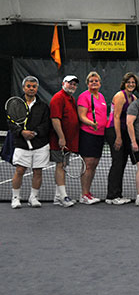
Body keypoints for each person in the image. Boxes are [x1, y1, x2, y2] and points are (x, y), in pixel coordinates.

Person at [9, 76, 50, 209]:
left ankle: (34, 197)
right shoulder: (16, 104)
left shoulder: (43, 106)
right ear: (23, 88)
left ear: (37, 88)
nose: (31, 88)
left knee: (38, 171)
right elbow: (11, 122)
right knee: (20, 170)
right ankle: (15, 198)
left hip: (40, 144)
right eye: (28, 86)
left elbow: (46, 123)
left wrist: (35, 133)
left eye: (34, 86)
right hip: (21, 143)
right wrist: (22, 132)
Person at [105, 72, 138, 205]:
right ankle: (111, 196)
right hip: (113, 130)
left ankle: (117, 194)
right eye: (128, 82)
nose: (131, 84)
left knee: (122, 163)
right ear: (124, 83)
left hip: (124, 132)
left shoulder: (133, 98)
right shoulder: (120, 96)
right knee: (117, 162)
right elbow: (116, 117)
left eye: (133, 83)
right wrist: (118, 137)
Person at [50, 75, 81, 207]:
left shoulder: (70, 98)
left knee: (62, 166)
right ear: (63, 83)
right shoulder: (58, 98)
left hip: (69, 141)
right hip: (60, 141)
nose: (72, 86)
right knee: (60, 166)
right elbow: (55, 119)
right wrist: (61, 137)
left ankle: (57, 197)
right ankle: (63, 197)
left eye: (74, 84)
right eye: (70, 83)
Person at [77, 71, 107, 204]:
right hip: (88, 134)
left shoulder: (101, 97)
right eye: (91, 81)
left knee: (94, 164)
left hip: (100, 135)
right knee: (88, 164)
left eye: (96, 81)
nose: (94, 83)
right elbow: (81, 116)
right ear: (87, 83)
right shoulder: (84, 96)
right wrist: (91, 123)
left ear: (100, 83)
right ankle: (83, 195)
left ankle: (88, 192)